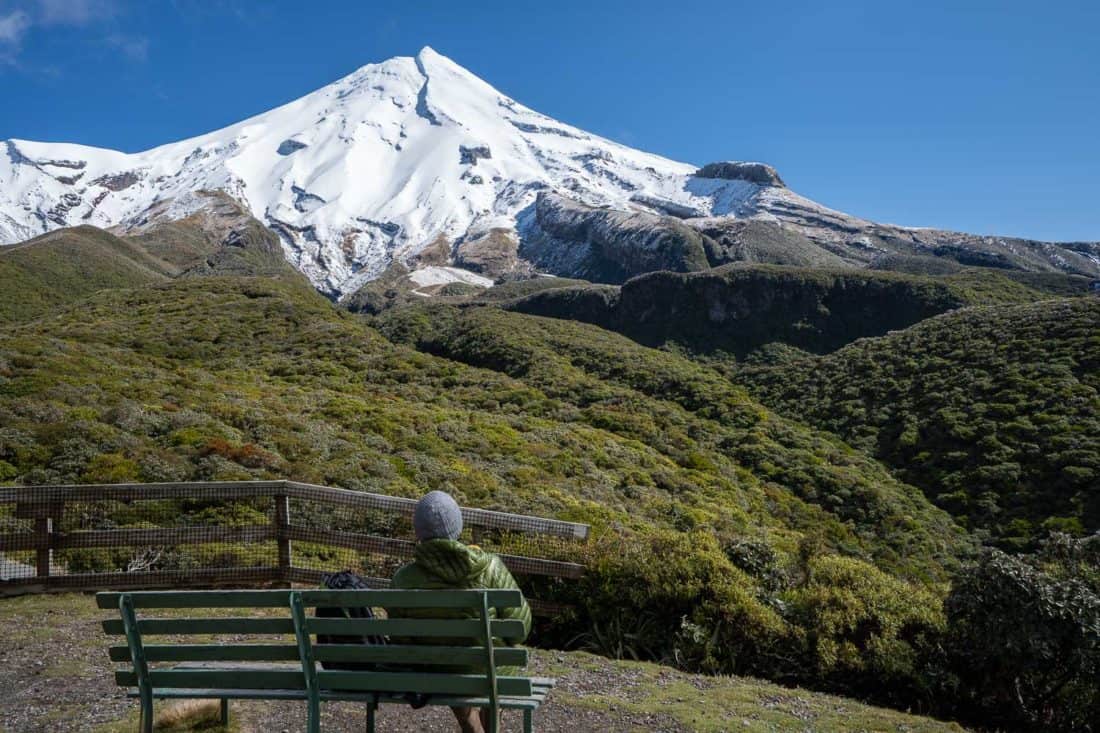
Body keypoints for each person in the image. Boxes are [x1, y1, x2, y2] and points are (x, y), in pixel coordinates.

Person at [389, 490, 532, 733]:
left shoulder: (404, 579)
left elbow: (401, 639)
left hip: (436, 674)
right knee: (493, 660)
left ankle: (469, 724)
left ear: (418, 531)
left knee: (451, 665)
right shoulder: (490, 567)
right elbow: (520, 630)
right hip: (489, 673)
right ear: (458, 525)